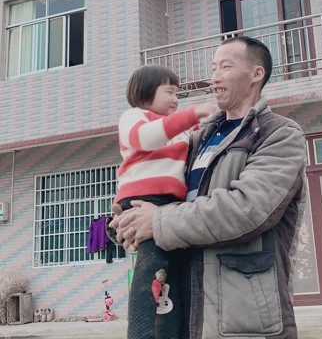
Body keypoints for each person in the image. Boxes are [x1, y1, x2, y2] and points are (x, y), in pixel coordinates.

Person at [111, 37, 307, 339]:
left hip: (241, 317)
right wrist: (128, 221)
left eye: (225, 67)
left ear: (256, 74)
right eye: (213, 68)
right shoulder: (197, 138)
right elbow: (162, 193)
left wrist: (156, 221)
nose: (214, 77)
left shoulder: (279, 134)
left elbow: (245, 209)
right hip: (185, 310)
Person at [113, 64, 216, 339]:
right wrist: (193, 114)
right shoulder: (134, 117)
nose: (175, 99)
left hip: (171, 207)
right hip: (141, 199)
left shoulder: (179, 129)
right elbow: (146, 138)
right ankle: (140, 333)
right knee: (152, 266)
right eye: (169, 92)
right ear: (146, 92)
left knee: (174, 275)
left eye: (177, 94)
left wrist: (205, 119)